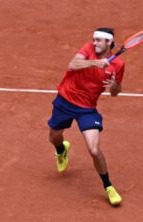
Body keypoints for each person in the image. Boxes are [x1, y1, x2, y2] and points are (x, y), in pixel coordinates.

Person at [47, 27, 125, 206]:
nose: (95, 42)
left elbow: (115, 92)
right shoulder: (88, 49)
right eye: (94, 39)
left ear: (109, 43)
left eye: (99, 40)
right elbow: (73, 64)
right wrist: (94, 63)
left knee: (94, 150)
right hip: (65, 101)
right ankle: (61, 149)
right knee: (53, 136)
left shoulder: (118, 65)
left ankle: (108, 186)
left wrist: (114, 86)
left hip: (87, 109)